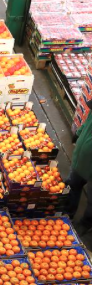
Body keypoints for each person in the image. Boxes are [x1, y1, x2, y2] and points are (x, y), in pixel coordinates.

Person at [65, 98, 92, 236]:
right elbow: (88, 121)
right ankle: (68, 213)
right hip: (80, 161)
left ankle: (86, 223)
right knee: (73, 186)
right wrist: (79, 133)